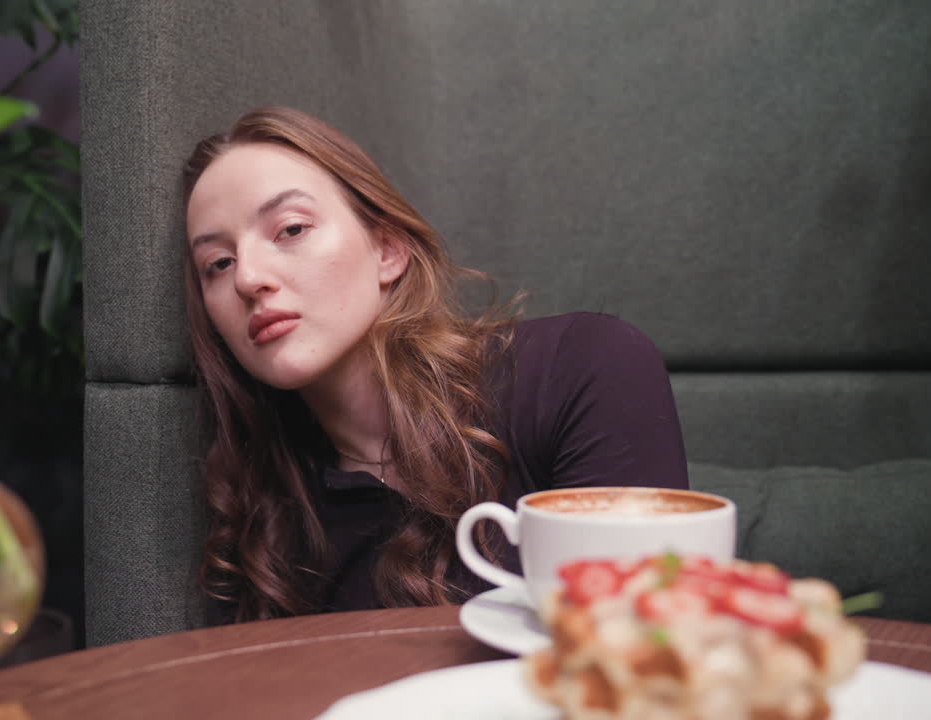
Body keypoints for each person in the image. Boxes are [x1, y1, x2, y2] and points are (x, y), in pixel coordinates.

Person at [182, 106, 688, 623]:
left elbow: (639, 640)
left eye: (291, 229)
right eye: (218, 264)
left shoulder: (582, 368)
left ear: (387, 250)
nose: (248, 278)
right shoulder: (262, 515)